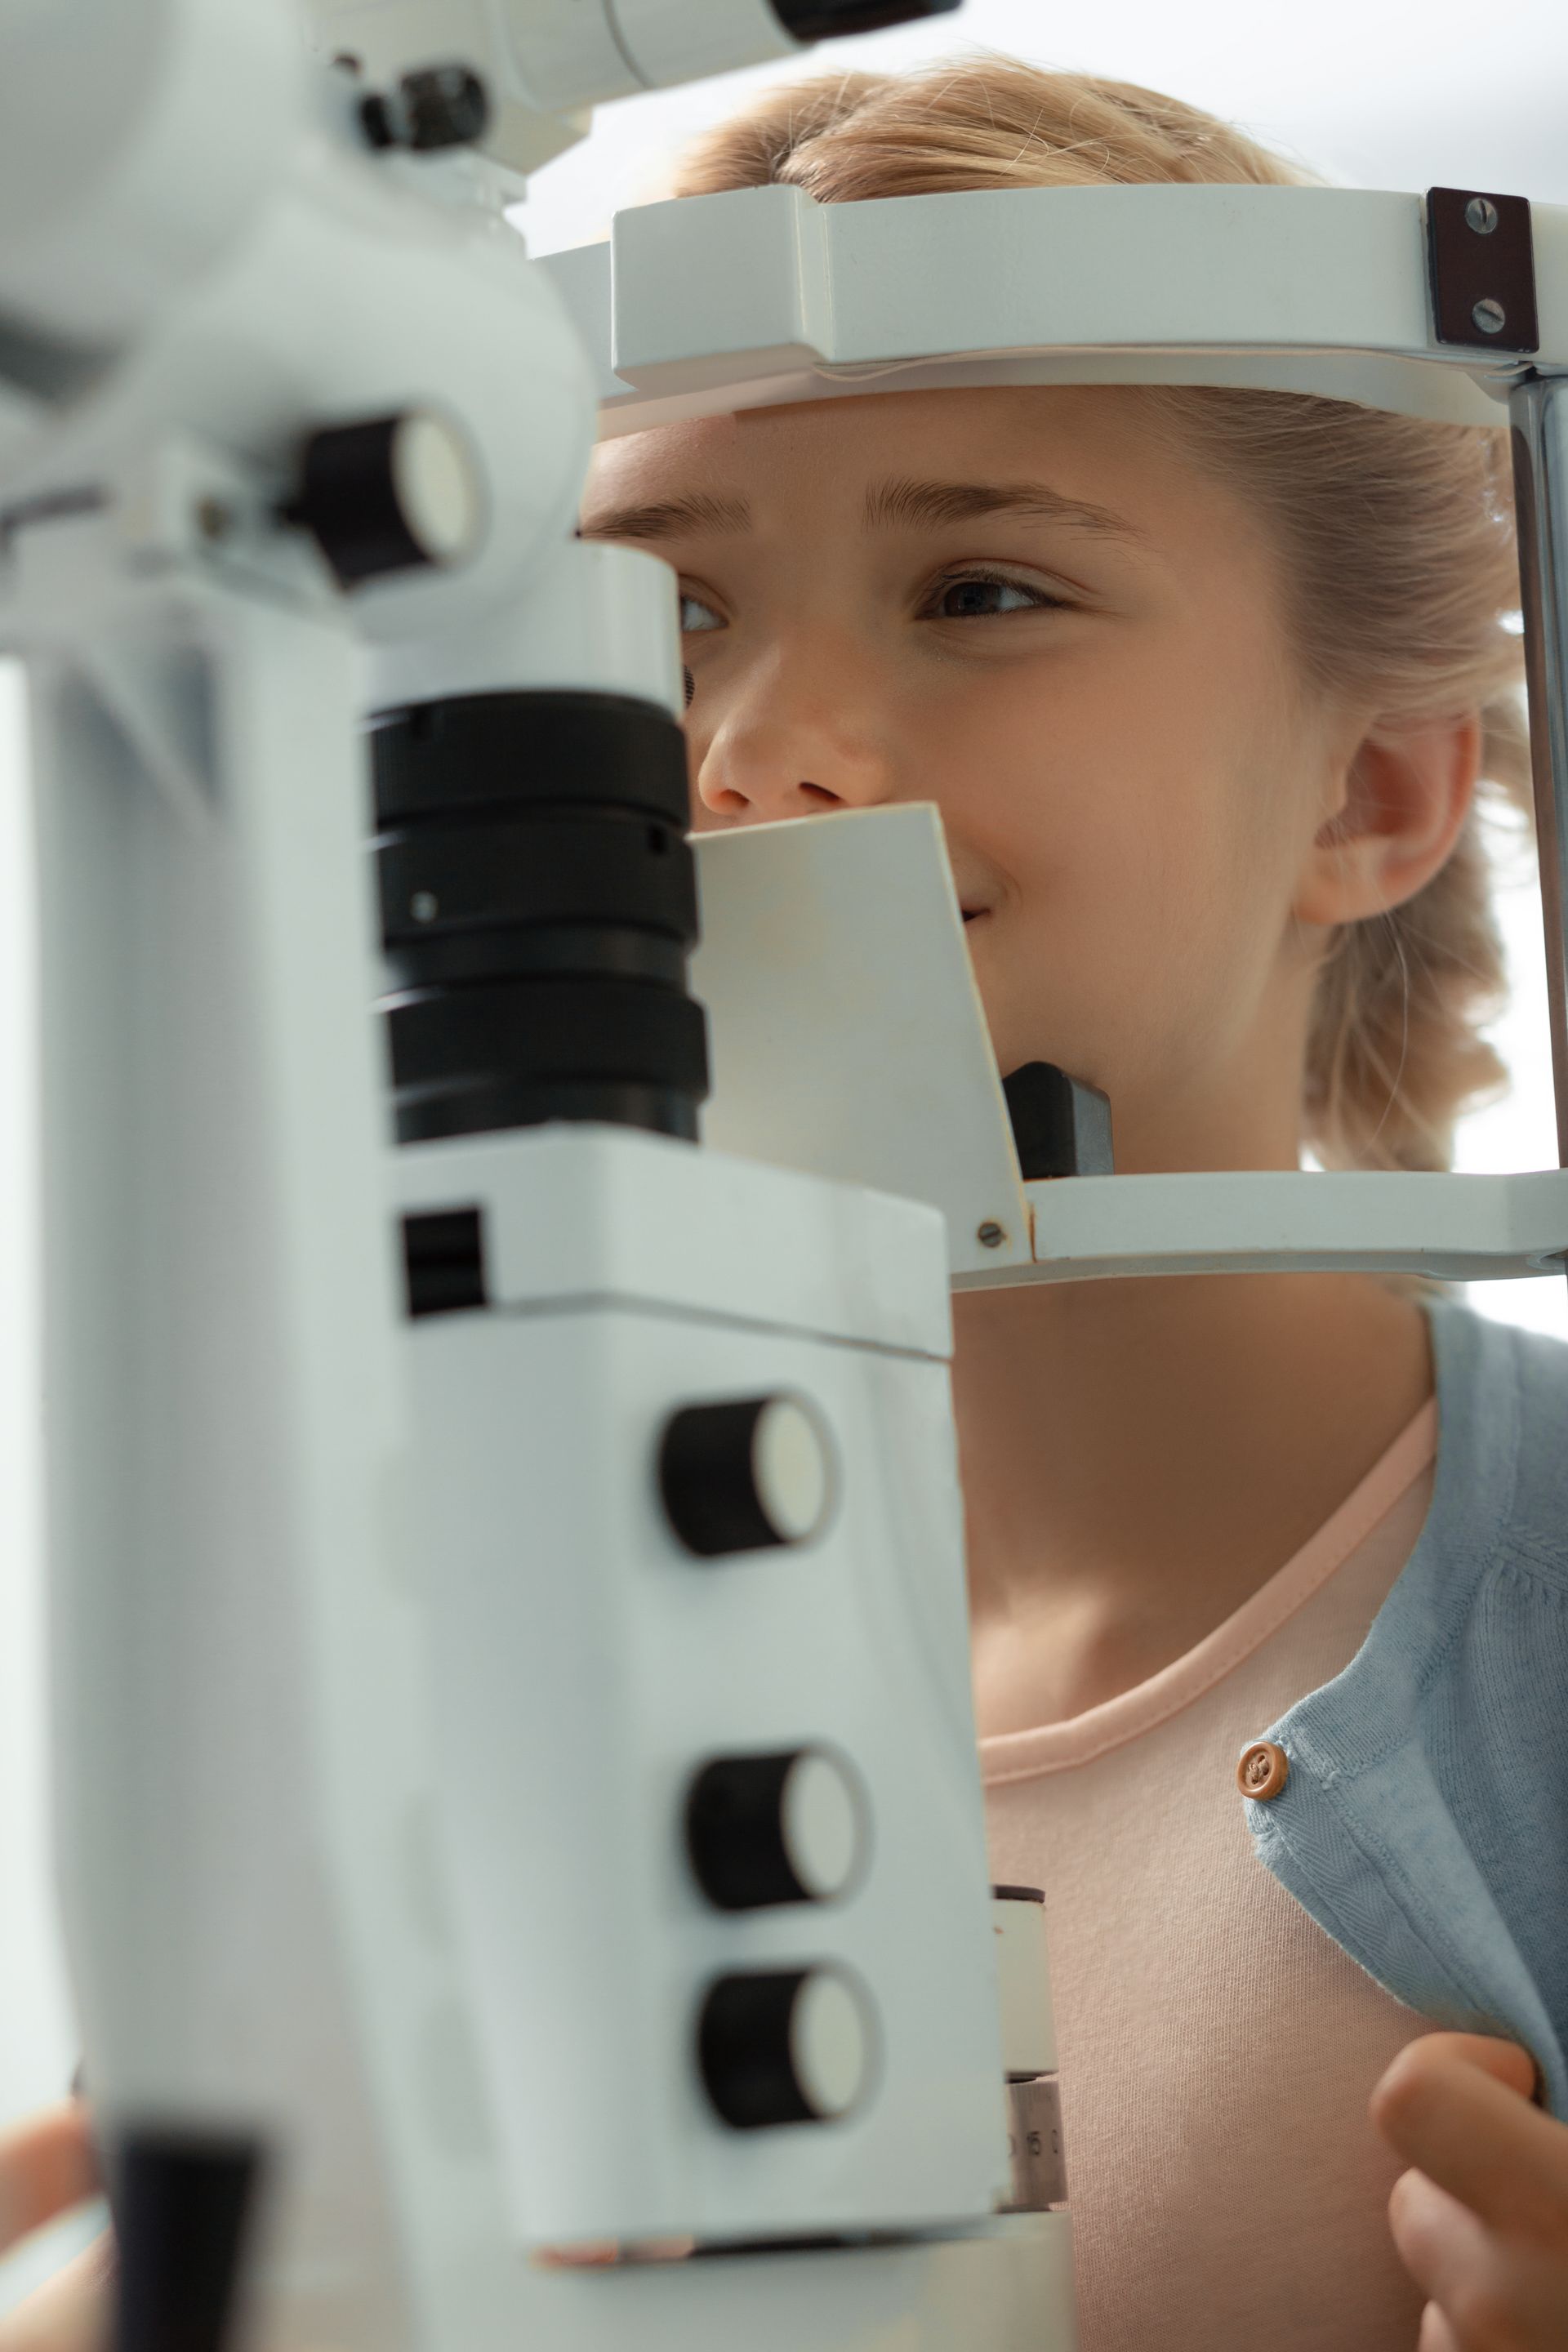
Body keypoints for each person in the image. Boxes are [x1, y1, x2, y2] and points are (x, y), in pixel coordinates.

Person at [5, 53, 1567, 2352]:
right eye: (666, 607)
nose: (752, 749)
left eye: (986, 587)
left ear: (1375, 786)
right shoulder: (413, 1669)